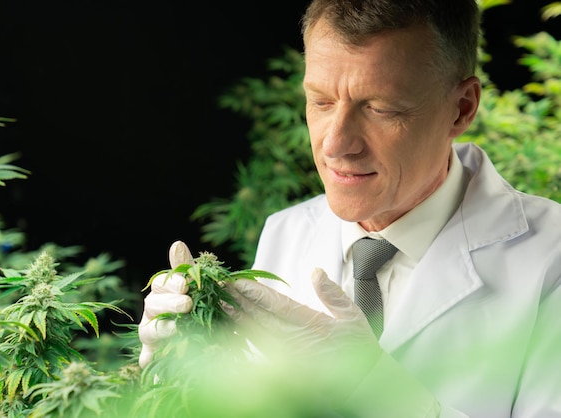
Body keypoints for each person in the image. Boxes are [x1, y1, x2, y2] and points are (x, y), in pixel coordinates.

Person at [138, 0, 561, 416]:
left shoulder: (551, 259)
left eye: (379, 108)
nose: (336, 144)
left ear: (462, 108)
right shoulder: (286, 233)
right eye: (320, 102)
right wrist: (180, 370)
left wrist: (373, 386)